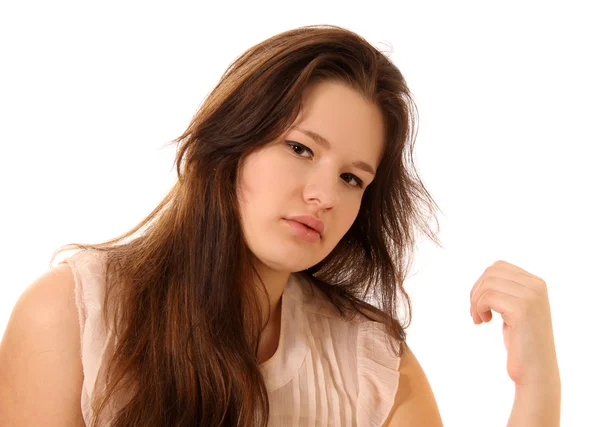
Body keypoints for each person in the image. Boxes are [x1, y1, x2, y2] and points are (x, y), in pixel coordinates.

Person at [0, 24, 560, 426]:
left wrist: (536, 383)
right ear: (231, 141)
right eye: (299, 147)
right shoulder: (75, 316)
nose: (322, 195)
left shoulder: (368, 361)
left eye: (352, 179)